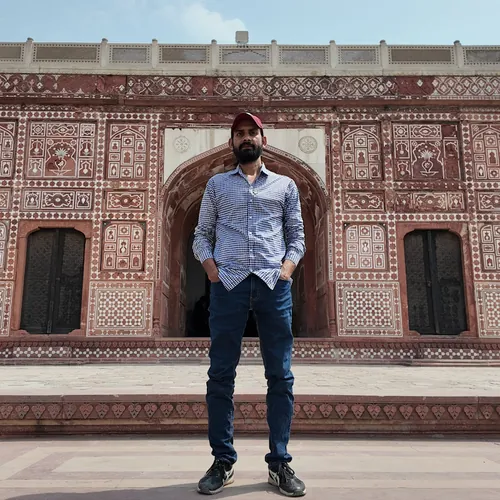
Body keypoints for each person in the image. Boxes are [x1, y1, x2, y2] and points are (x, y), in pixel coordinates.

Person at [192, 112, 306, 497]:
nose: (246, 138)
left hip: (273, 284)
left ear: (263, 139)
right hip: (229, 284)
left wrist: (287, 268)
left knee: (281, 375)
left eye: (251, 132)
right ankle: (222, 461)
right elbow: (202, 234)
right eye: (239, 133)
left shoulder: (286, 185)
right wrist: (211, 269)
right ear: (231, 142)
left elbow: (297, 235)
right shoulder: (217, 184)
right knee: (221, 374)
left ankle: (280, 462)